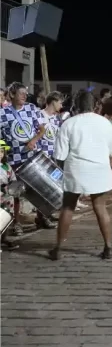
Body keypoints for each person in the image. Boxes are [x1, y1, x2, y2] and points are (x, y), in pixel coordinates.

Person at [50, 90, 112, 261]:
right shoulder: (105, 122)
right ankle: (108, 247)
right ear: (95, 105)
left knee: (67, 208)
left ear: (76, 105)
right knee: (101, 209)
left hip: (76, 169)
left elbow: (60, 155)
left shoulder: (68, 123)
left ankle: (58, 248)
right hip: (100, 170)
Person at [0, 82, 54, 234]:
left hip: (32, 156)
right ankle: (16, 223)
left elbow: (42, 129)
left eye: (25, 93)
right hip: (14, 159)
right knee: (17, 192)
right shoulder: (3, 113)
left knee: (39, 188)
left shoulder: (31, 108)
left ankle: (42, 217)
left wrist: (34, 140)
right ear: (11, 95)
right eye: (21, 93)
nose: (24, 95)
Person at [0, 140, 20, 250]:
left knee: (7, 217)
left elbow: (13, 180)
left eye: (1, 151)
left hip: (7, 197)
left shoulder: (7, 166)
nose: (0, 154)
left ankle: (4, 237)